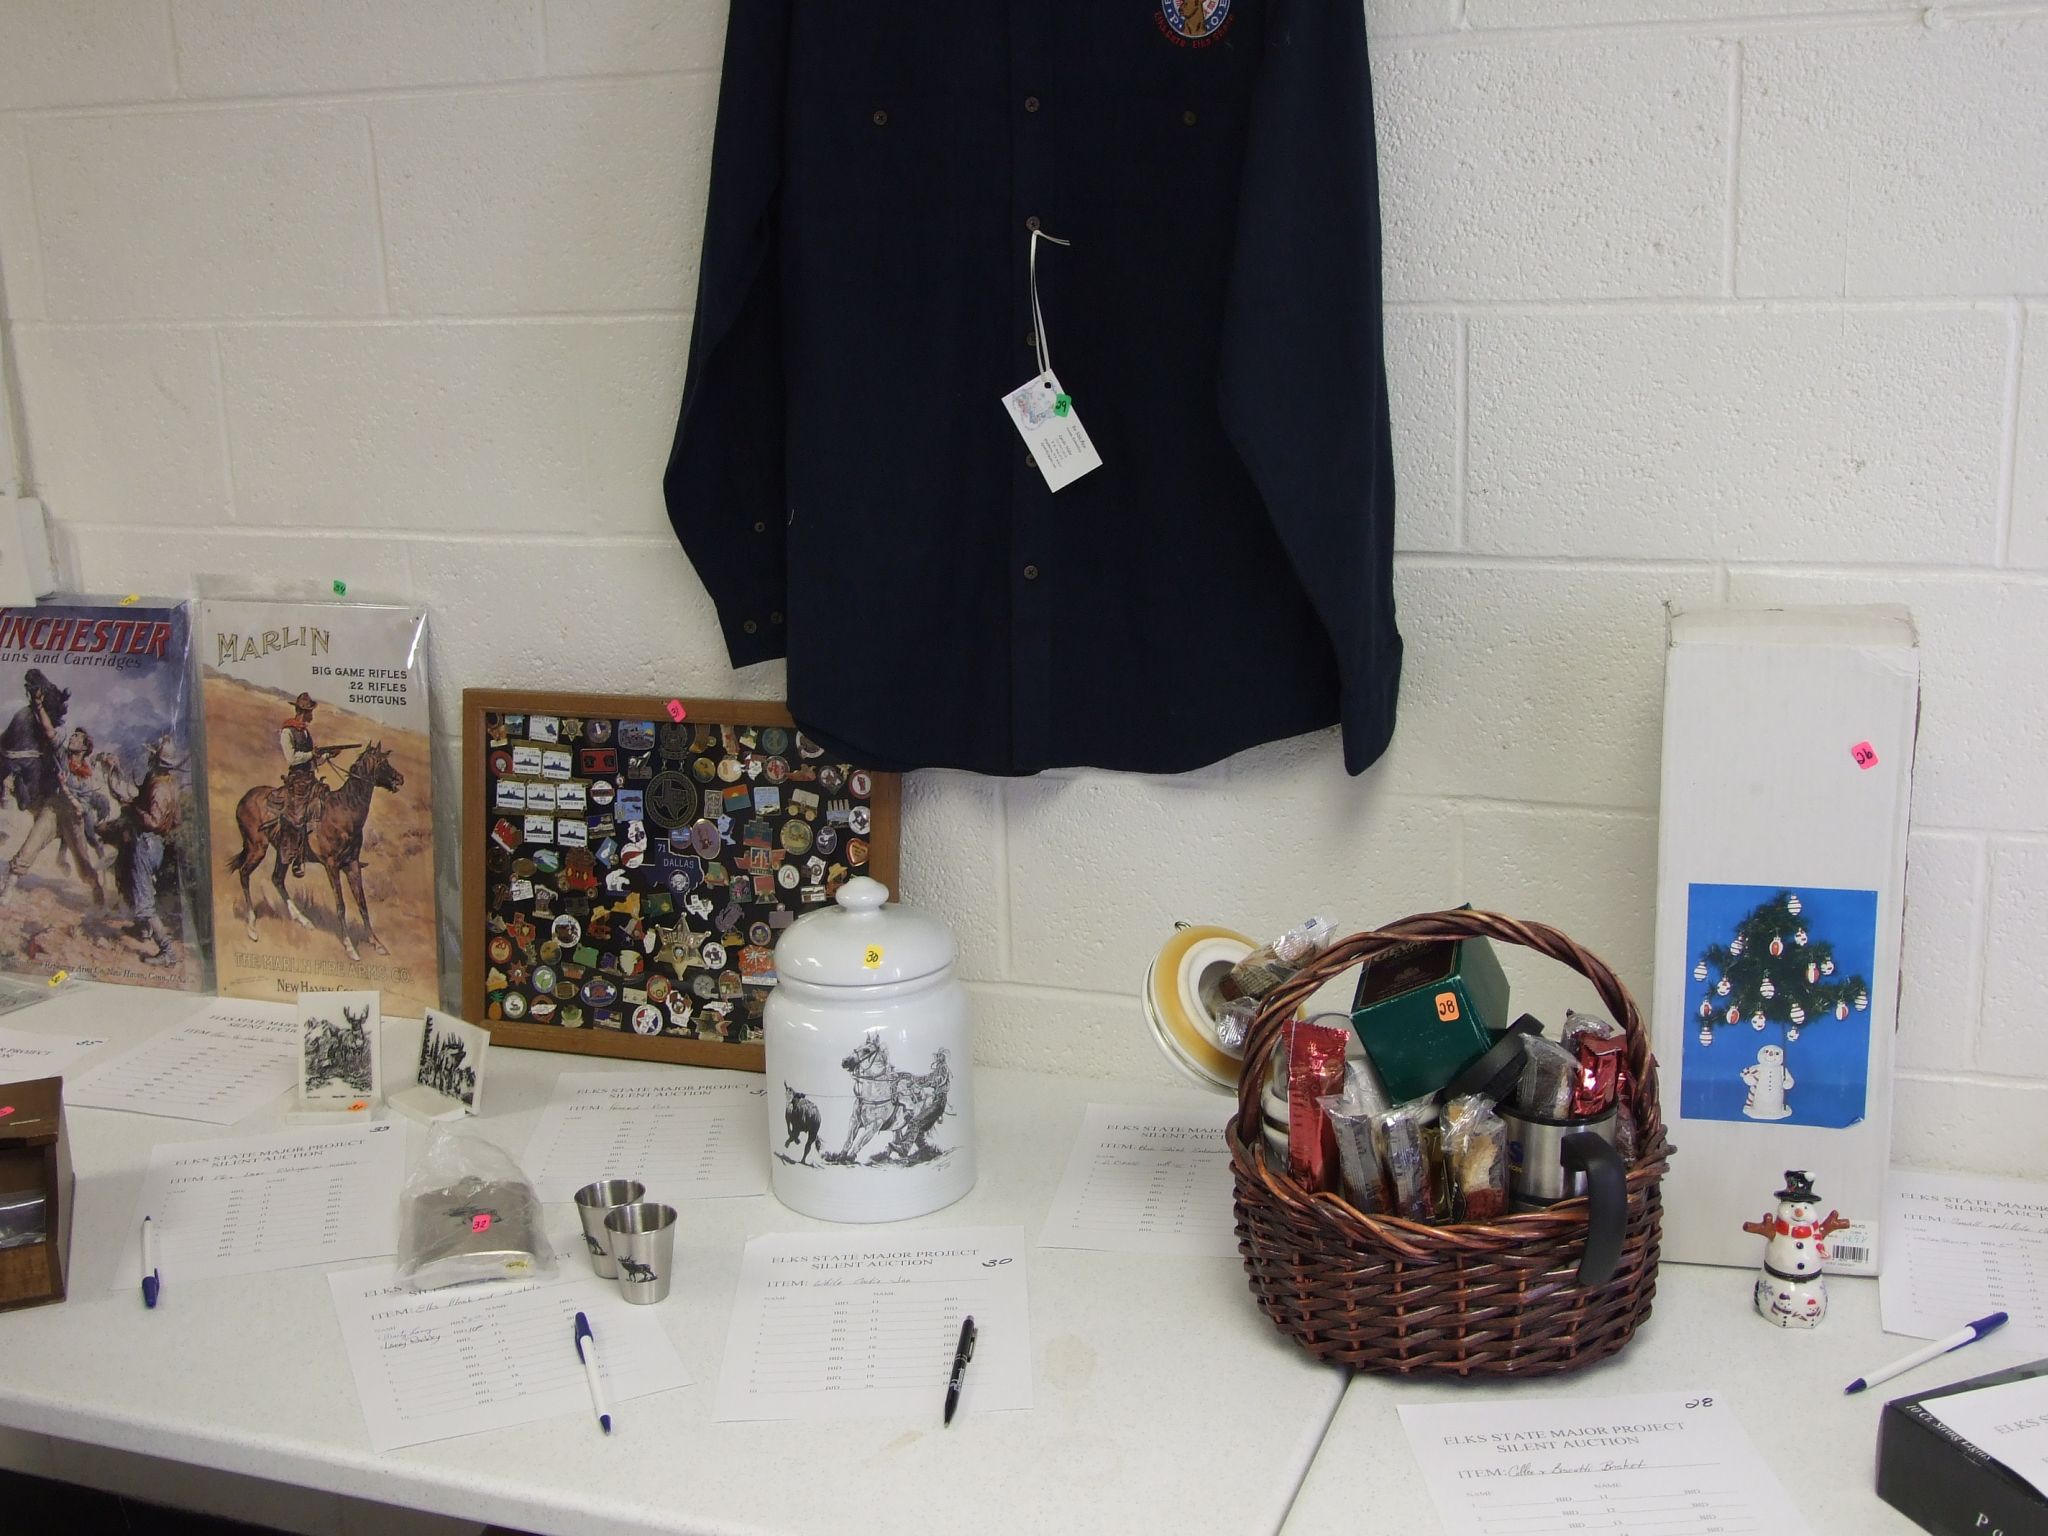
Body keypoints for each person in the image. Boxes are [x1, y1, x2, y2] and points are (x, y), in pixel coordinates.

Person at [0, 670, 103, 907]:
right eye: (73, 735)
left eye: (78, 738)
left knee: (83, 863)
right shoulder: (61, 754)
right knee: (30, 846)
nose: (73, 738)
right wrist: (38, 706)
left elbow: (82, 807)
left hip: (72, 818)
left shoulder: (88, 777)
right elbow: (48, 731)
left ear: (85, 748)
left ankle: (97, 889)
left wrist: (67, 791)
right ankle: (8, 889)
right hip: (52, 808)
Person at [105, 734, 184, 967]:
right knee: (135, 884)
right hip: (155, 845)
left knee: (144, 903)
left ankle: (168, 952)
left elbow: (153, 821)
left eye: (152, 755)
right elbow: (176, 820)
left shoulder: (158, 787)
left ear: (157, 759)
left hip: (146, 843)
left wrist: (133, 809)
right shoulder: (170, 783)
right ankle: (143, 930)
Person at [277, 692, 325, 878]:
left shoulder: (305, 731)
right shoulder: (287, 732)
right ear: (303, 712)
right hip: (297, 782)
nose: (312, 715)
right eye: (310, 712)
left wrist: (325, 756)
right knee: (297, 818)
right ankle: (296, 857)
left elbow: (311, 761)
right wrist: (312, 754)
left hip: (310, 779)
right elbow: (292, 759)